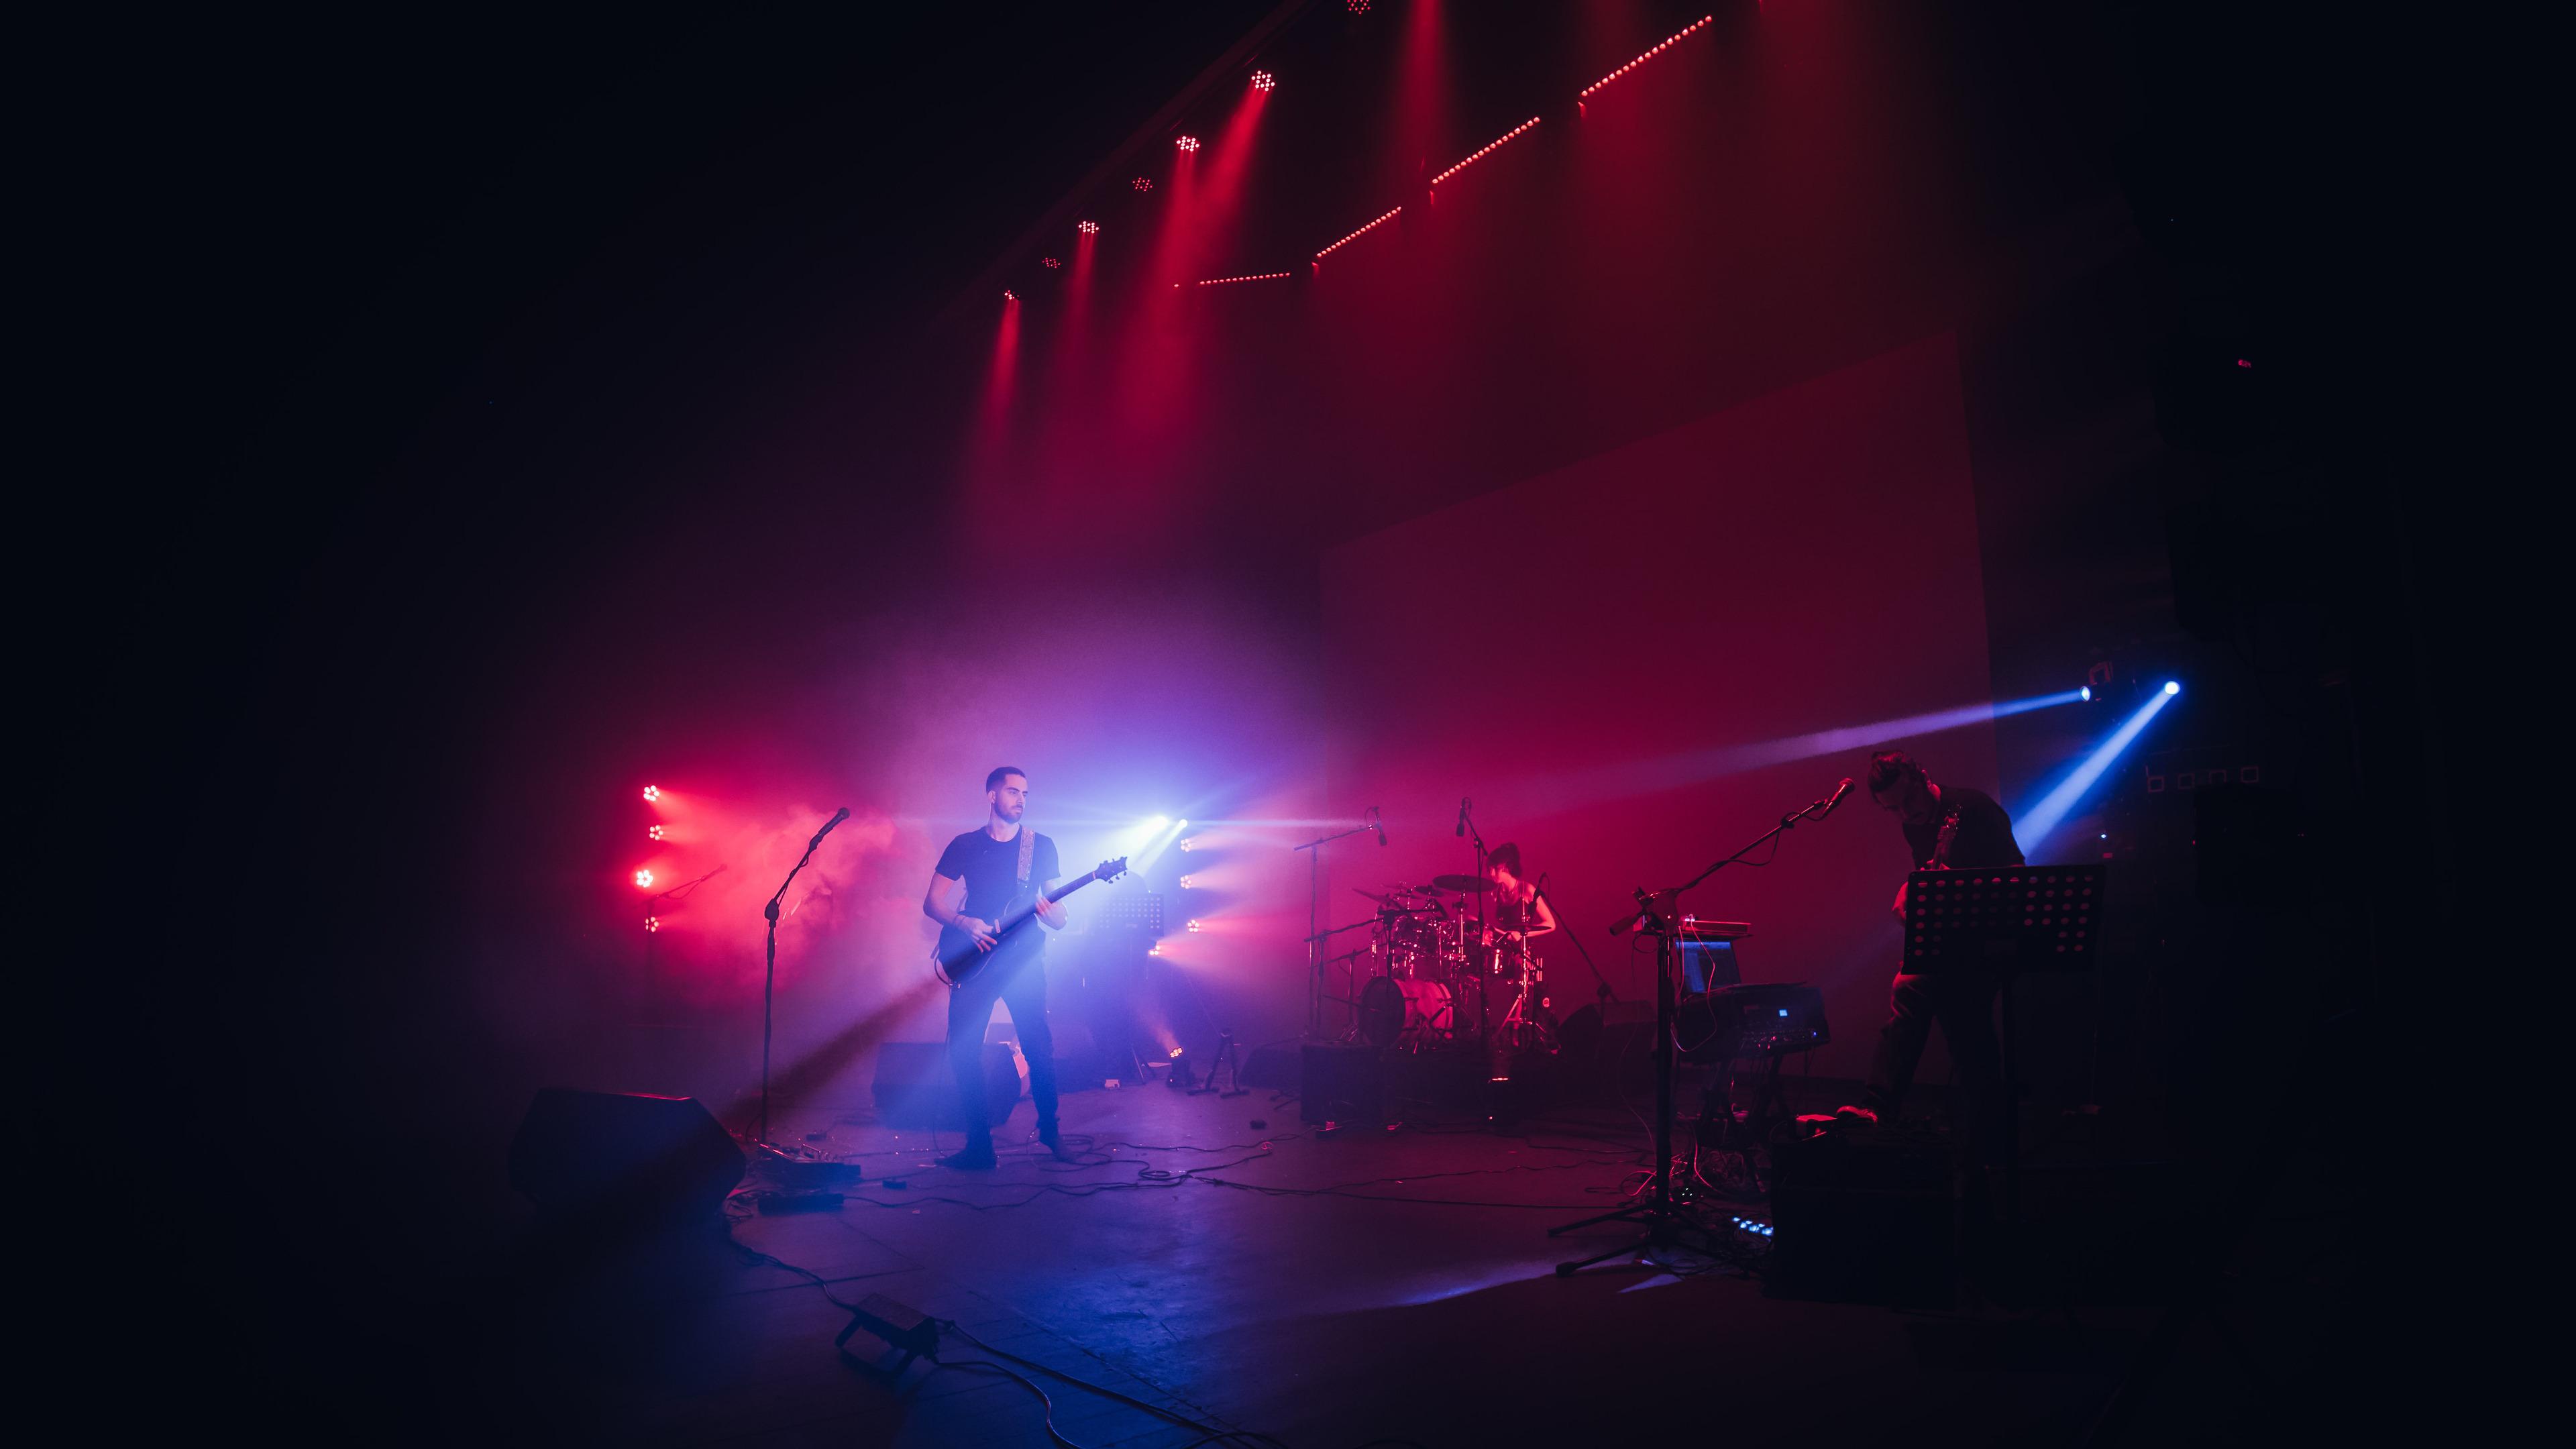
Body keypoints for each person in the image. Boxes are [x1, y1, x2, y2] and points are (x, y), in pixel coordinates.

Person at [1841, 750, 2025, 1142]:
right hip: (1952, 940)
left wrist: (1960, 889)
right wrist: (1911, 888)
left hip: (1991, 938)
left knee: (1943, 1008)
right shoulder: (1915, 825)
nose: (1905, 814)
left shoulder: (1974, 808)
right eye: (1893, 809)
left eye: (1908, 801)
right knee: (1948, 1015)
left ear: (1924, 778)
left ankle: (1884, 1108)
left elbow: (2016, 876)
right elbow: (1931, 871)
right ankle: (1985, 1131)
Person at [921, 766, 1067, 1169]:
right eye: (1013, 792)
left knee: (1039, 1047)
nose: (1021, 799)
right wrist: (965, 923)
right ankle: (979, 1146)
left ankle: (1053, 1135)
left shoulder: (1041, 846)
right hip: (975, 963)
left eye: (1026, 793)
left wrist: (1053, 912)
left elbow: (1059, 917)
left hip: (1023, 962)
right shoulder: (965, 845)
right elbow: (933, 903)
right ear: (991, 796)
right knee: (964, 1052)